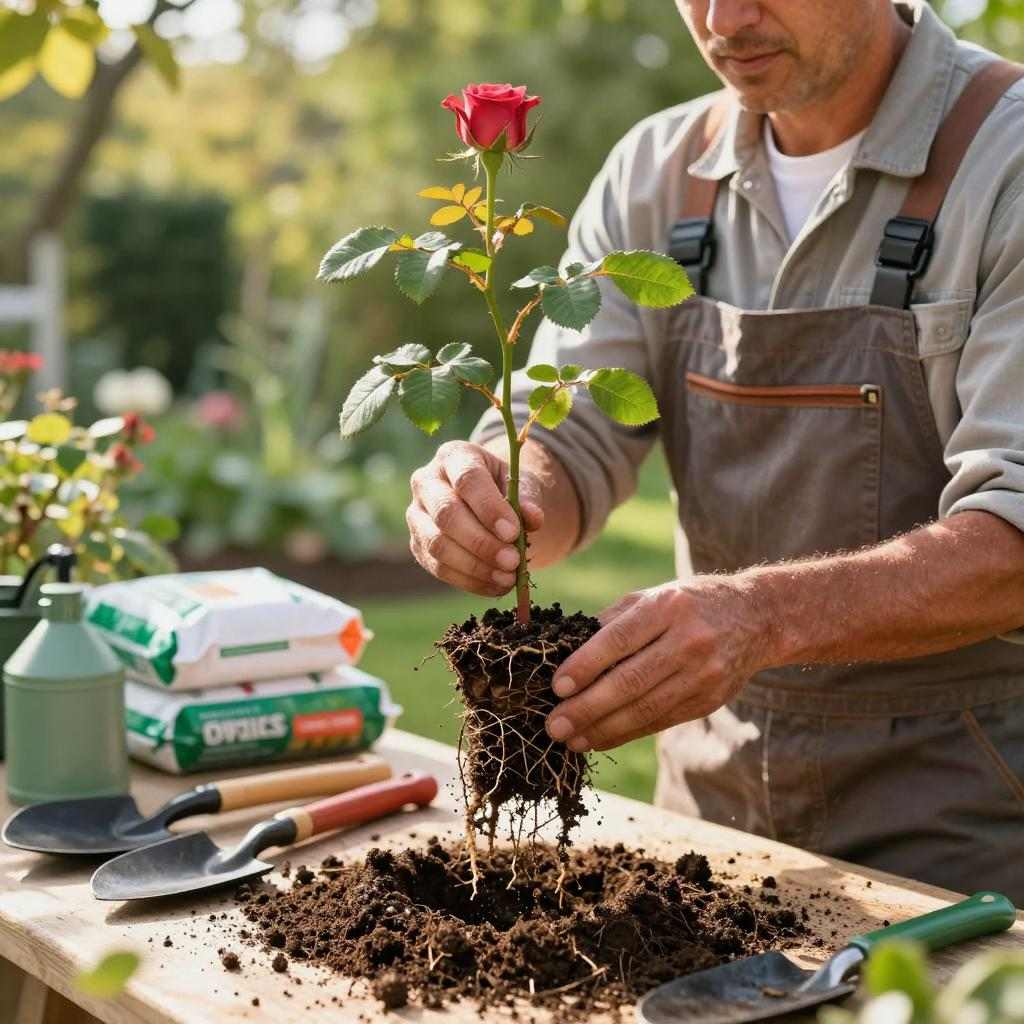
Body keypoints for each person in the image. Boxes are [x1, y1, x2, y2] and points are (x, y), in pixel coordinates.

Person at [405, 0, 1024, 902]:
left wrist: (761, 617)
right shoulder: (656, 173)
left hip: (961, 840)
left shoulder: (1004, 159)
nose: (724, 17)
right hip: (703, 832)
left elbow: (1015, 542)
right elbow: (573, 440)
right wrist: (502, 494)